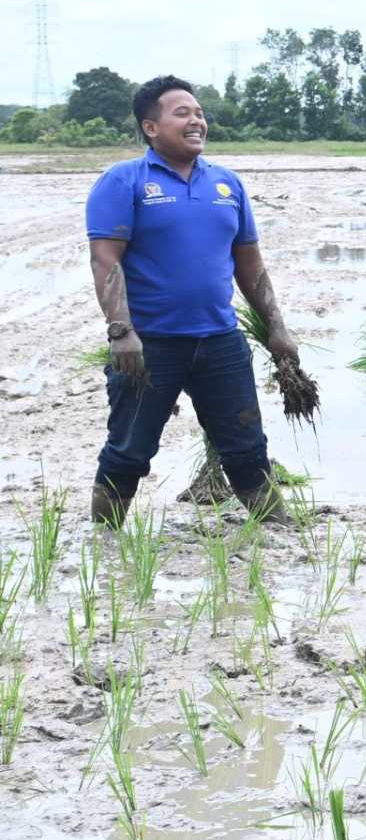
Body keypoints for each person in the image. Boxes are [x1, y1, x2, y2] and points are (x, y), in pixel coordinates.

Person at [84, 76, 301, 527]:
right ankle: (103, 546)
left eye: (199, 112)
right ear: (150, 127)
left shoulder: (227, 185)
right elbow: (107, 261)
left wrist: (277, 325)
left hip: (220, 342)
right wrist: (121, 332)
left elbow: (251, 266)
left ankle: (282, 535)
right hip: (150, 346)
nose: (196, 119)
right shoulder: (124, 182)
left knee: (247, 450)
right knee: (128, 453)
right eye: (182, 113)